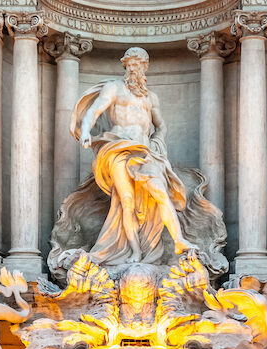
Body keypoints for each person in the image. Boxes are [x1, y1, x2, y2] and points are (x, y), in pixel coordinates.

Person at [71, 47, 196, 265]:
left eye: (138, 65)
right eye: (130, 64)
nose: (134, 69)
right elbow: (95, 110)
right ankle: (135, 253)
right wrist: (85, 132)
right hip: (118, 147)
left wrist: (158, 141)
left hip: (145, 152)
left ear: (145, 67)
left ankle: (179, 241)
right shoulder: (114, 88)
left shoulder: (151, 98)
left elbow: (161, 125)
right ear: (125, 66)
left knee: (160, 193)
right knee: (126, 201)